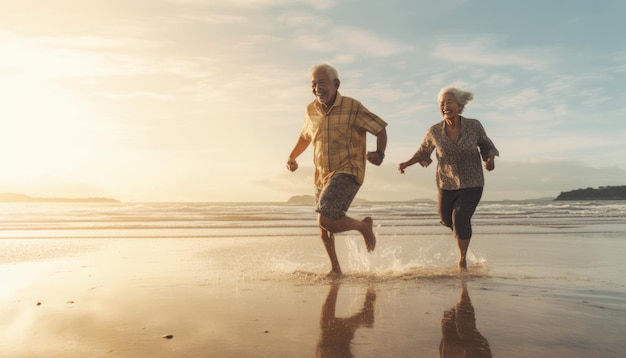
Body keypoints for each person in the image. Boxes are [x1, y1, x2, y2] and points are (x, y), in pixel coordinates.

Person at [286, 63, 388, 278]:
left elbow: (379, 128)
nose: (316, 88)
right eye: (313, 84)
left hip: (349, 170)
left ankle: (363, 227)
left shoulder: (352, 107)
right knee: (323, 226)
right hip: (322, 174)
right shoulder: (310, 110)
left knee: (325, 218)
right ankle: (335, 269)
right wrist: (292, 157)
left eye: (321, 83)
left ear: (336, 84)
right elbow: (306, 136)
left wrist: (379, 154)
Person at [398, 87, 498, 270]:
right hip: (446, 182)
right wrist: (407, 163)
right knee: (446, 219)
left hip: (472, 182)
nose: (444, 106)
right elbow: (423, 151)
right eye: (441, 103)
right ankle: (462, 234)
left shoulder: (474, 126)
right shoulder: (434, 131)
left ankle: (462, 259)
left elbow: (486, 144)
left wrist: (490, 159)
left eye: (449, 102)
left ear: (460, 106)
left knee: (460, 217)